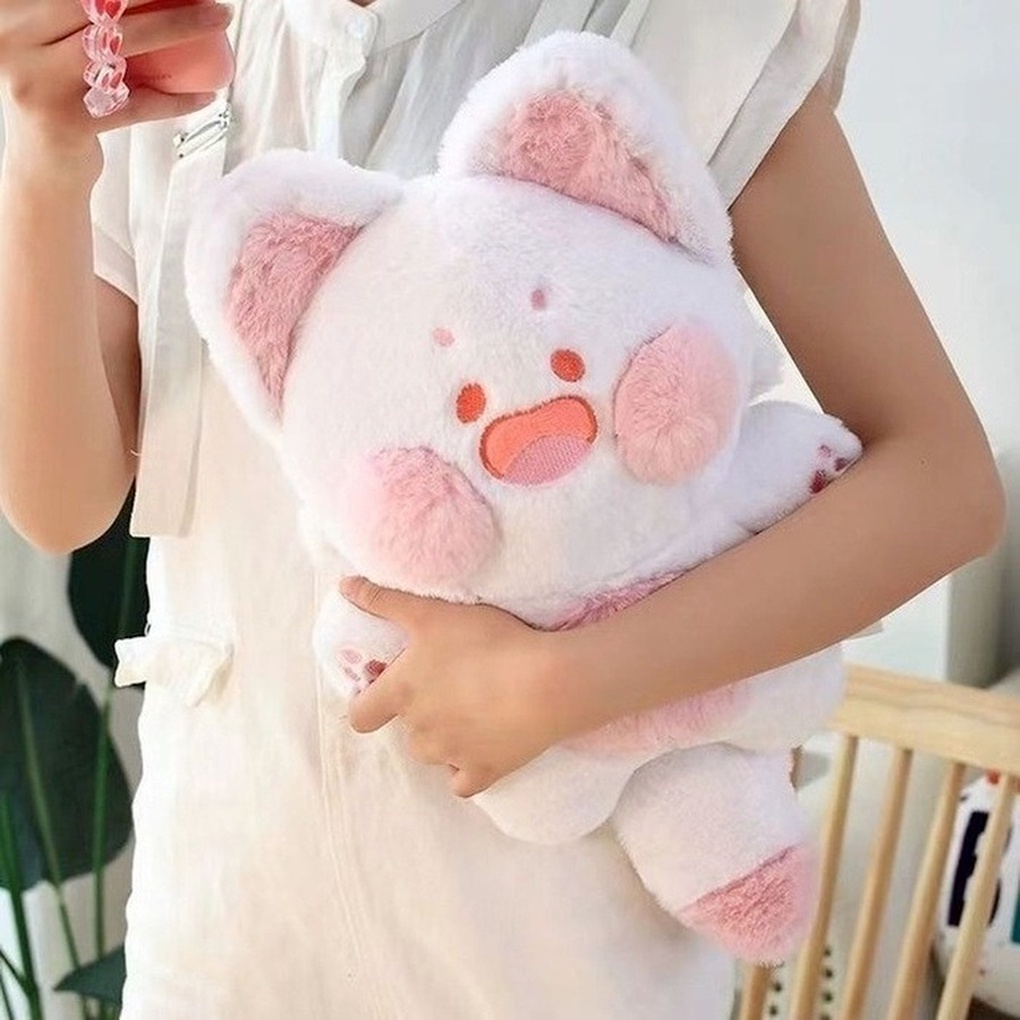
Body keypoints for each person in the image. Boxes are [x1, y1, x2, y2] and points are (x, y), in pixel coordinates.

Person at [0, 0, 1006, 1016]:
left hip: (550, 953)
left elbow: (942, 483)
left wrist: (565, 682)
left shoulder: (689, 29)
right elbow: (60, 506)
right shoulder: (158, 43)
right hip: (226, 930)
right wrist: (45, 159)